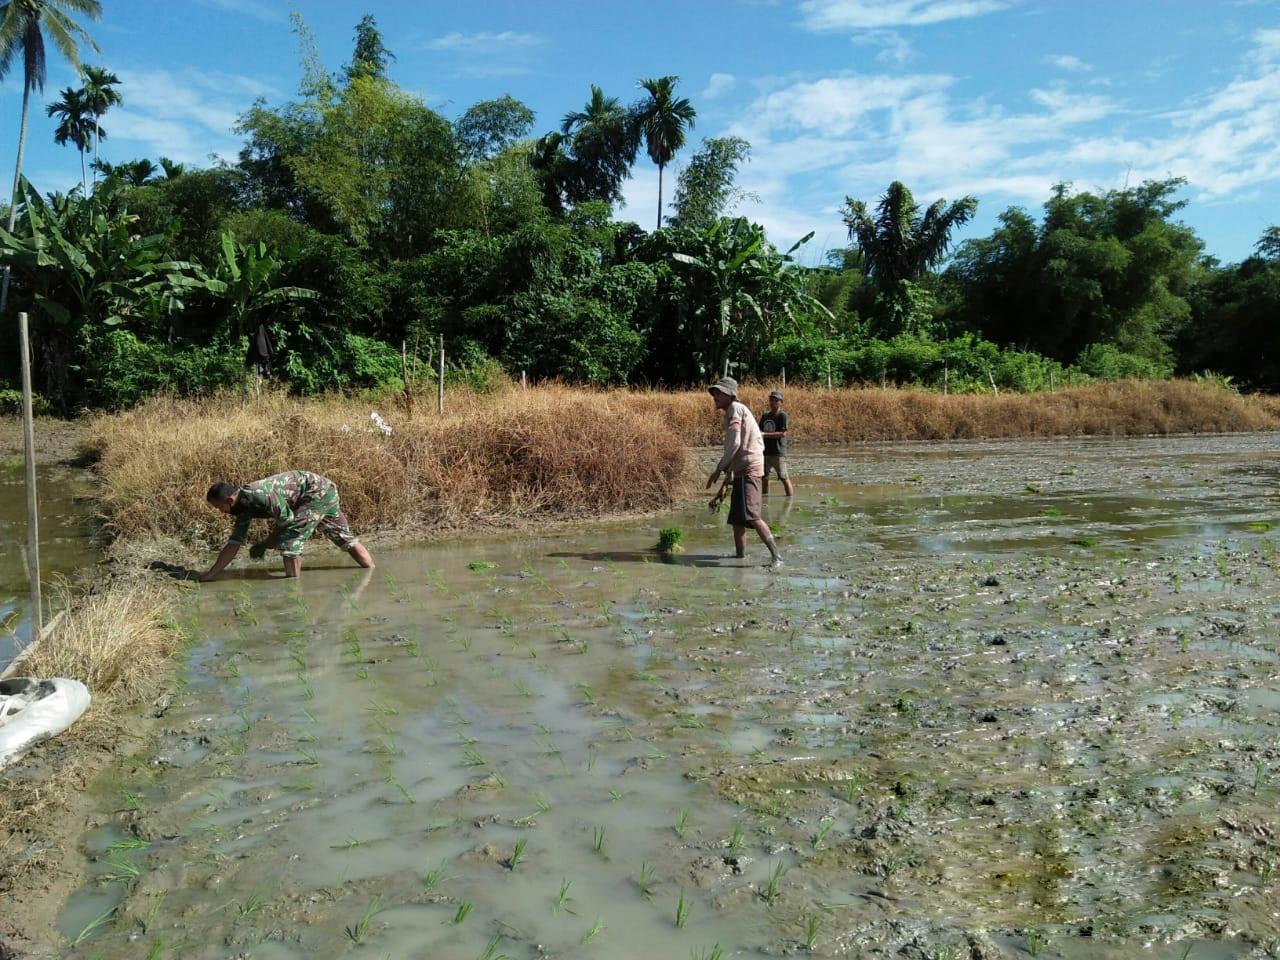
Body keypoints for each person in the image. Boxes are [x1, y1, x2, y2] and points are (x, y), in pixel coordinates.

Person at [200, 470, 374, 581]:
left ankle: (291, 589)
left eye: (219, 507)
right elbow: (234, 543)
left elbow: (287, 521)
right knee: (344, 538)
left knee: (291, 540)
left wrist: (266, 544)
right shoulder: (241, 508)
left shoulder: (260, 494)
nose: (220, 511)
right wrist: (212, 574)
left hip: (317, 492)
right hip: (319, 494)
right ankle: (371, 571)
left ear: (229, 500)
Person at [705, 377, 783, 568]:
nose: (715, 396)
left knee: (752, 515)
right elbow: (738, 448)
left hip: (749, 468)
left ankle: (777, 558)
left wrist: (717, 470)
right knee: (737, 519)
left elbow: (735, 444)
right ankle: (740, 556)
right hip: (742, 468)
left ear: (730, 395)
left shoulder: (734, 409)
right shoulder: (735, 410)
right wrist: (725, 482)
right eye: (714, 393)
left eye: (718, 393)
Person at [759, 390, 794, 497]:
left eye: (775, 400)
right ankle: (765, 498)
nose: (772, 402)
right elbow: (759, 431)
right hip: (765, 452)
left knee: (784, 477)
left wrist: (765, 435)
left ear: (780, 402)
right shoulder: (765, 416)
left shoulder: (782, 416)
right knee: (764, 477)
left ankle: (790, 499)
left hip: (778, 453)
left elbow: (783, 434)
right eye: (771, 400)